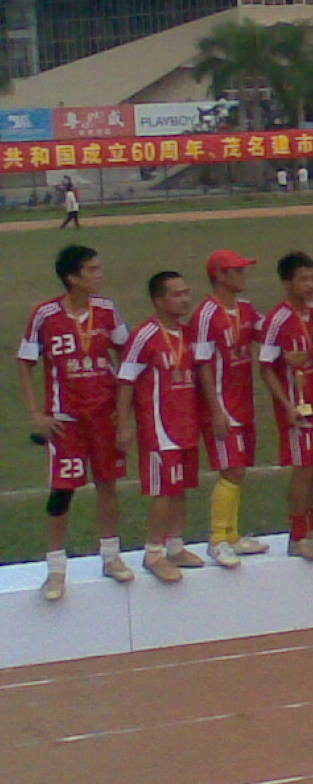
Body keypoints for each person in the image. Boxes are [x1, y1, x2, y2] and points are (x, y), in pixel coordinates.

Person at [18, 245, 135, 600]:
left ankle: (111, 556)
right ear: (73, 278)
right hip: (65, 420)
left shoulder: (107, 310)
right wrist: (37, 414)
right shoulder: (45, 315)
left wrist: (123, 416)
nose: (100, 275)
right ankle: (56, 569)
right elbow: (25, 362)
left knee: (107, 484)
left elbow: (128, 357)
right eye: (92, 270)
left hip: (104, 416)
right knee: (62, 491)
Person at [116, 271, 204, 583]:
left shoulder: (188, 334)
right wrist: (123, 425)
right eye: (177, 294)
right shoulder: (145, 335)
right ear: (159, 300)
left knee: (180, 488)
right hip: (159, 428)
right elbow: (126, 380)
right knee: (164, 490)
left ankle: (175, 546)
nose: (185, 299)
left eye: (186, 292)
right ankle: (154, 553)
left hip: (186, 424)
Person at [191, 249, 266, 568]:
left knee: (240, 470)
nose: (243, 276)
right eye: (237, 270)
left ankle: (232, 535)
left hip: (244, 404)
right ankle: (218, 539)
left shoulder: (245, 309)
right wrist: (215, 410)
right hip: (222, 406)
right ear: (219, 275)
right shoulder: (206, 315)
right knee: (231, 470)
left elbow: (268, 333)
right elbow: (201, 364)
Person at [259, 251, 313, 561]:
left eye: (312, 278)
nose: (310, 285)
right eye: (303, 279)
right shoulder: (278, 319)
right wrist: (286, 405)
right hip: (297, 407)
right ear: (287, 283)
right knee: (303, 468)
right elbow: (265, 367)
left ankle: (311, 526)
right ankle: (297, 535)